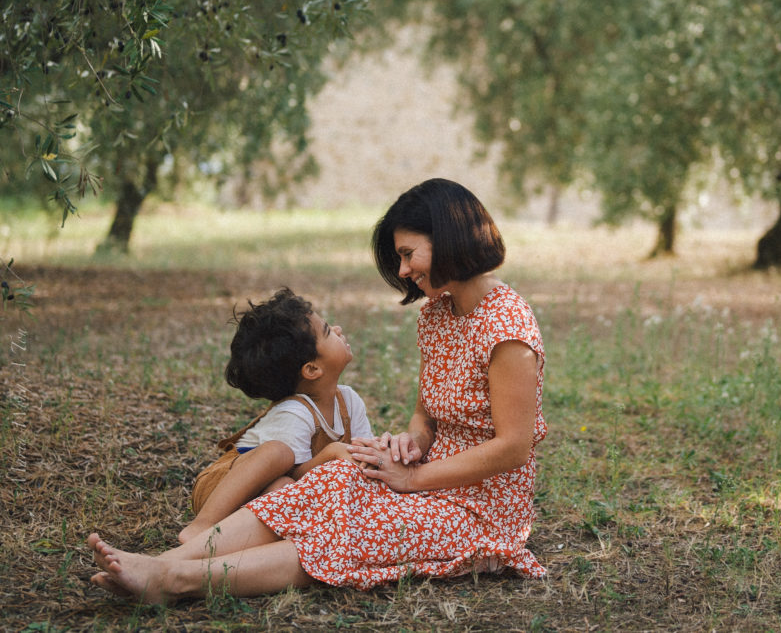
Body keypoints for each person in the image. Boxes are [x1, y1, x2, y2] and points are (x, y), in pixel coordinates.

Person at [87, 178, 546, 602]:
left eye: (408, 254)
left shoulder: (507, 329)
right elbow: (426, 415)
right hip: (428, 478)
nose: (403, 270)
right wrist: (411, 444)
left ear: (448, 240)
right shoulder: (437, 315)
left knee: (342, 533)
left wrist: (414, 479)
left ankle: (175, 581)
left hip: (482, 510)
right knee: (336, 475)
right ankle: (163, 563)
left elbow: (512, 447)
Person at [180, 288, 373, 545]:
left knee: (285, 492)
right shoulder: (295, 413)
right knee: (279, 456)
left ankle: (231, 543)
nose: (338, 329)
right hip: (222, 490)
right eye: (327, 331)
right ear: (312, 369)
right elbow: (297, 476)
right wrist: (332, 452)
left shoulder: (348, 401)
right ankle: (200, 527)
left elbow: (360, 455)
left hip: (273, 494)